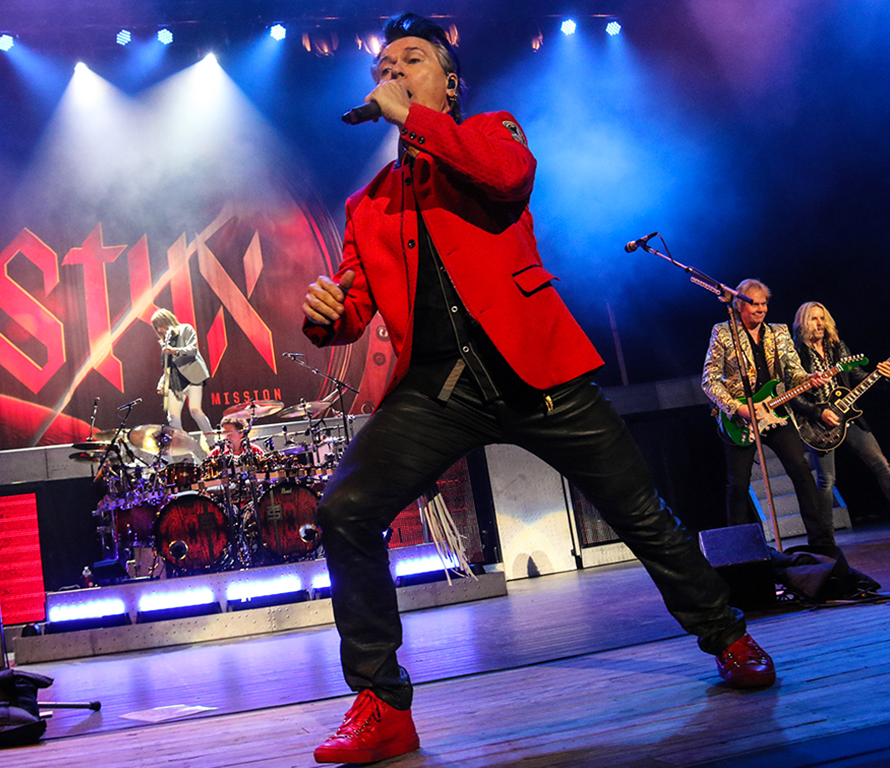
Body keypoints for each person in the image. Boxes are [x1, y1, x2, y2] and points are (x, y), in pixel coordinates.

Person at [301, 13, 776, 765]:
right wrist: (327, 317)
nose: (390, 71)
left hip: (537, 369)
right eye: (382, 64)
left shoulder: (491, 133)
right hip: (437, 389)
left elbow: (508, 182)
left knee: (640, 512)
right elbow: (357, 304)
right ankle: (382, 704)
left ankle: (726, 634)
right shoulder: (370, 203)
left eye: (411, 60)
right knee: (345, 509)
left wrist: (419, 122)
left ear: (449, 87)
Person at [701, 280, 835, 548]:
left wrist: (810, 378)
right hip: (740, 417)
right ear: (739, 305)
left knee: (801, 470)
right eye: (754, 303)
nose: (760, 309)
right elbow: (709, 380)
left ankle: (822, 543)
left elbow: (793, 371)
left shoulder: (779, 332)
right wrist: (737, 407)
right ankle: (742, 553)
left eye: (764, 303)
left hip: (775, 412)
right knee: (738, 485)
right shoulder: (723, 332)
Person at [791, 301, 890, 517]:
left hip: (848, 416)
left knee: (883, 465)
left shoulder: (838, 347)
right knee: (827, 481)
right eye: (814, 318)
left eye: (822, 318)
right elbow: (793, 397)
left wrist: (882, 376)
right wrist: (819, 413)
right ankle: (824, 536)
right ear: (802, 322)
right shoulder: (795, 353)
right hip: (817, 424)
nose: (820, 323)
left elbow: (858, 377)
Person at [150, 309, 212, 436]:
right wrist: (162, 382)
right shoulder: (165, 342)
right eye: (156, 328)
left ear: (166, 320)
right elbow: (168, 366)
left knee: (195, 410)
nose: (159, 330)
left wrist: (175, 351)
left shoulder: (186, 329)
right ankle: (184, 451)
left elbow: (192, 350)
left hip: (193, 376)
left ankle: (213, 444)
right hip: (175, 380)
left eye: (160, 326)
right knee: (173, 415)